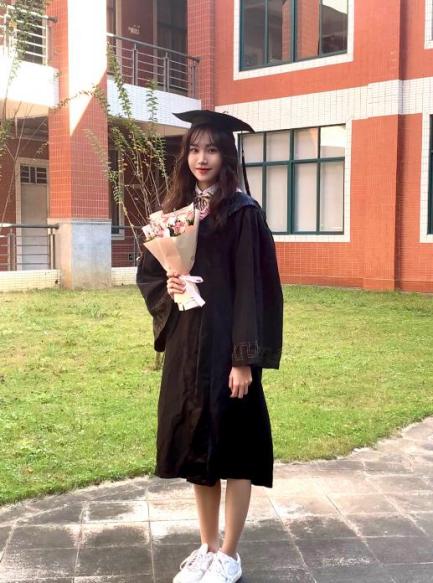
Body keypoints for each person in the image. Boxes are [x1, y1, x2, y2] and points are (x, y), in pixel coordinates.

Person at [136, 109, 283, 583]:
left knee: (235, 448)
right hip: (188, 345)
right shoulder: (179, 211)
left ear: (227, 156)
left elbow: (253, 287)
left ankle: (230, 555)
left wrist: (244, 358)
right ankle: (207, 547)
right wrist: (171, 286)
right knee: (198, 450)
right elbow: (152, 273)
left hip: (226, 345)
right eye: (195, 149)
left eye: (212, 149)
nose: (202, 158)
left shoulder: (242, 212)